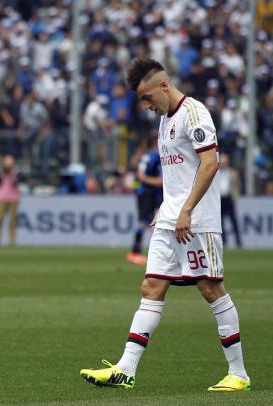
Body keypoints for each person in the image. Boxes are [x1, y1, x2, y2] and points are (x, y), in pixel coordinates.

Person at [80, 58, 250, 392]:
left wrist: (186, 209)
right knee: (152, 286)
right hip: (170, 217)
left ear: (163, 85)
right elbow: (177, 173)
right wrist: (166, 207)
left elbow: (210, 164)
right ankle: (125, 369)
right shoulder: (163, 120)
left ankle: (239, 373)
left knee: (210, 288)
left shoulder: (194, 112)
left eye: (147, 98)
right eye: (140, 101)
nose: (145, 106)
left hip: (196, 220)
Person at [127, 136, 162, 265]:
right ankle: (136, 252)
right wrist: (143, 180)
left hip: (143, 192)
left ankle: (139, 252)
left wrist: (138, 185)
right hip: (150, 192)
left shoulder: (144, 156)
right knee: (151, 222)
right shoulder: (156, 157)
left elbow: (137, 174)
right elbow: (159, 181)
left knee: (151, 222)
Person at [0, 155, 21, 246]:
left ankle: (12, 241)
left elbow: (15, 182)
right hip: (1, 197)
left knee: (12, 221)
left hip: (13, 197)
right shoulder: (0, 172)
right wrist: (1, 173)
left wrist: (12, 174)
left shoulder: (16, 173)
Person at [218, 153, 242, 248]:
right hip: (219, 199)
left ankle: (238, 242)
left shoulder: (233, 172)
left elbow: (238, 185)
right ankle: (224, 241)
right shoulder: (216, 172)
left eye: (225, 161)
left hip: (229, 198)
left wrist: (236, 196)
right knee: (221, 222)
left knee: (234, 221)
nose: (223, 163)